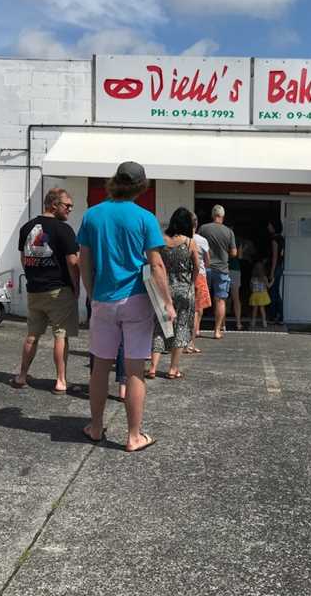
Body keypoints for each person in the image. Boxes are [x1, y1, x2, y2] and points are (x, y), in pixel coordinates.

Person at [77, 161, 175, 452]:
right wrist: (168, 302)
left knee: (99, 368)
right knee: (134, 370)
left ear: (114, 182)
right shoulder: (145, 218)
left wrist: (92, 292)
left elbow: (84, 260)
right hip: (136, 300)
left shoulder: (92, 215)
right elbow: (156, 264)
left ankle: (95, 427)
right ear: (141, 187)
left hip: (103, 299)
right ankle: (133, 436)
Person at [14, 188, 79, 394]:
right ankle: (60, 380)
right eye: (66, 205)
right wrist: (76, 287)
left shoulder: (26, 227)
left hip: (34, 289)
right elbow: (72, 262)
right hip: (58, 290)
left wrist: (33, 276)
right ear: (53, 204)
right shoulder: (64, 230)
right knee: (60, 335)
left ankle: (22, 375)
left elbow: (24, 258)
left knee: (32, 334)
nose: (70, 209)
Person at [147, 208, 199, 379]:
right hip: (184, 290)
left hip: (164, 289)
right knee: (182, 328)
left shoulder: (161, 240)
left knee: (160, 327)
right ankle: (173, 369)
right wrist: (192, 281)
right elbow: (197, 266)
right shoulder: (190, 243)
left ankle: (153, 367)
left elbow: (154, 263)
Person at [198, 204, 237, 339]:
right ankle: (217, 331)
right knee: (220, 300)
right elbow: (233, 253)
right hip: (221, 269)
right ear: (223, 216)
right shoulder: (229, 232)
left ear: (212, 215)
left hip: (205, 268)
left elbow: (196, 244)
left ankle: (196, 329)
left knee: (201, 298)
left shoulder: (203, 228)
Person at [187, 213, 211, 354]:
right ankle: (190, 342)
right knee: (197, 310)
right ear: (196, 224)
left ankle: (179, 342)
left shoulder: (178, 239)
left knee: (183, 311)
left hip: (182, 277)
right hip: (199, 276)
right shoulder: (201, 241)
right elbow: (208, 262)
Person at [267, 218, 286, 325]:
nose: (268, 227)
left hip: (275, 268)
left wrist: (271, 272)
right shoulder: (281, 239)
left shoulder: (274, 240)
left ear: (274, 226)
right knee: (276, 291)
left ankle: (275, 316)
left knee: (273, 292)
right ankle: (279, 315)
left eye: (269, 225)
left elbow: (275, 257)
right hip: (280, 267)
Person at [248, 261, 272, 329]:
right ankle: (264, 322)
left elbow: (251, 287)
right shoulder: (264, 278)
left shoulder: (252, 278)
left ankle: (253, 322)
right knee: (262, 308)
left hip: (255, 295)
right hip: (262, 295)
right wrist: (272, 281)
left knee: (255, 309)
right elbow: (269, 286)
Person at [228, 240, 244, 331]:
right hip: (235, 270)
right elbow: (240, 257)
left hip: (224, 268)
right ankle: (238, 323)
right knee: (236, 298)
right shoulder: (237, 242)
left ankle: (222, 325)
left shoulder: (222, 239)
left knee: (222, 298)